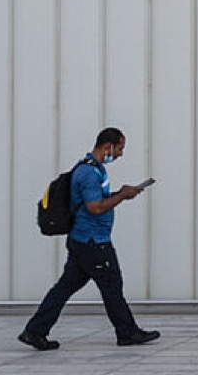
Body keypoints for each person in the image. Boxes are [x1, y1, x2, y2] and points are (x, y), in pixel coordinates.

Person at [19, 126, 160, 350]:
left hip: (83, 241)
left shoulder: (94, 170)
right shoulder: (89, 173)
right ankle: (127, 333)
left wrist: (123, 193)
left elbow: (96, 201)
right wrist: (122, 195)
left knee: (65, 288)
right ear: (108, 146)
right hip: (93, 242)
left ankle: (34, 331)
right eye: (120, 148)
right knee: (112, 286)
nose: (121, 153)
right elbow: (95, 208)